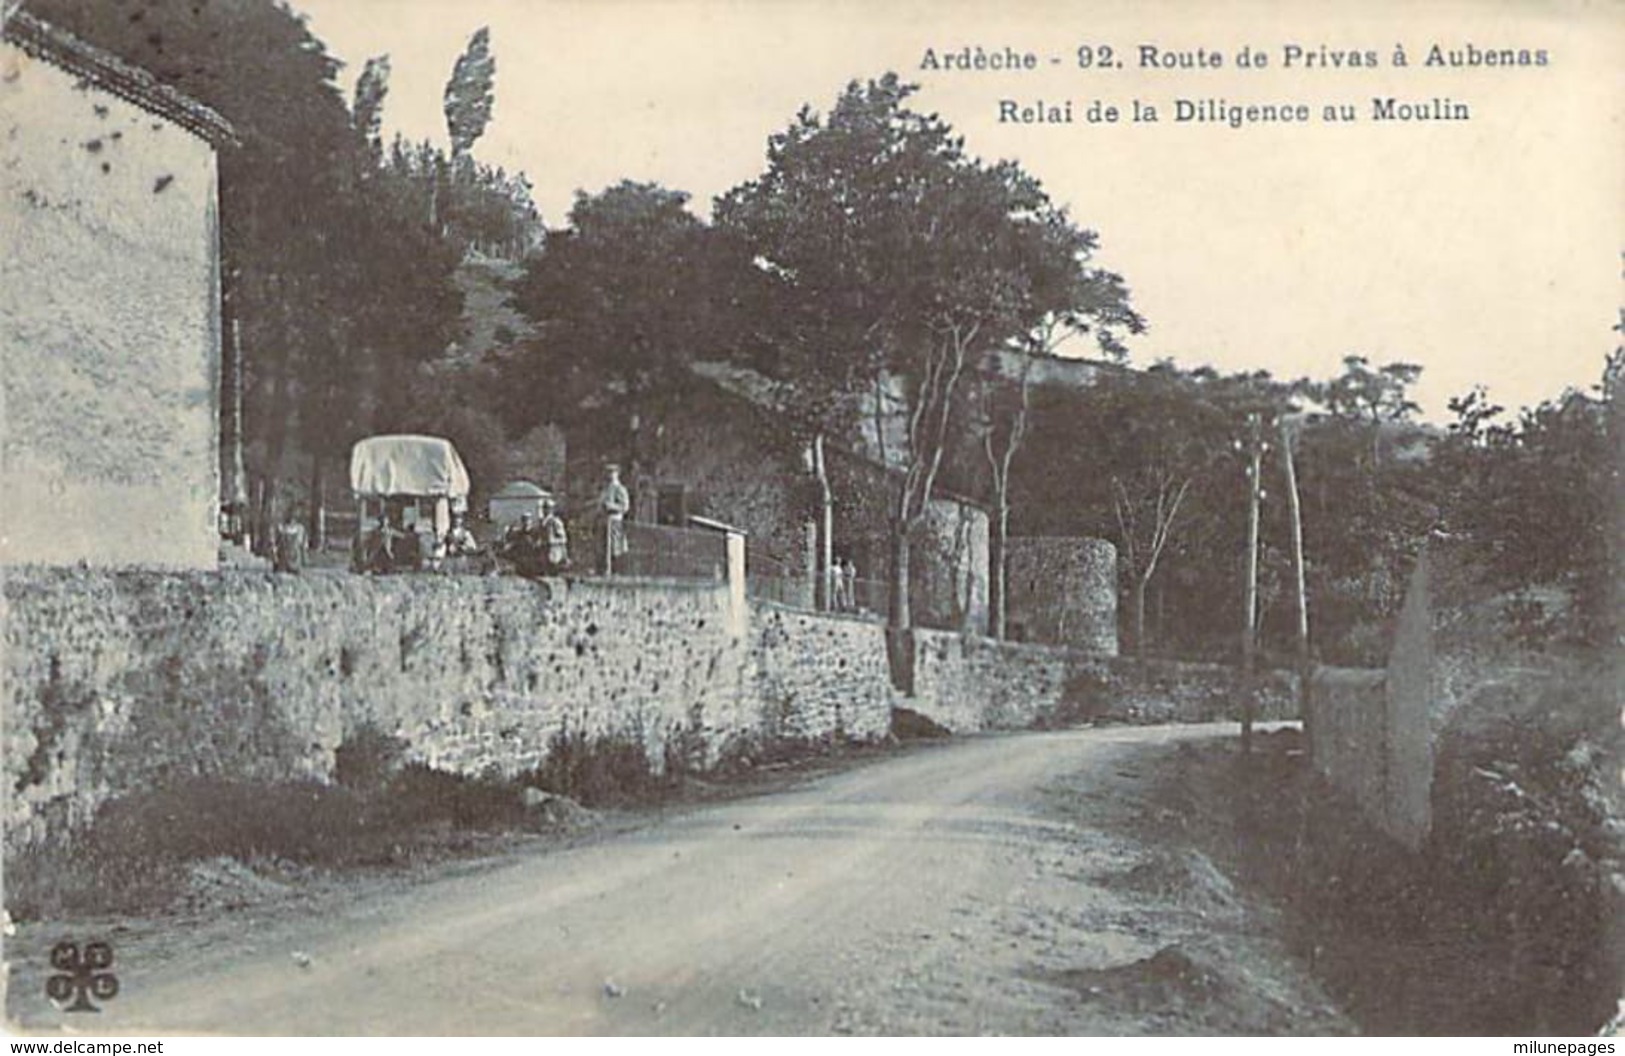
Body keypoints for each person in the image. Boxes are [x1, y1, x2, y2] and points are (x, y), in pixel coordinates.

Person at [599, 463, 630, 573]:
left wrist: (611, 506)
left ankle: (616, 570)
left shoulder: (620, 489)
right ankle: (605, 569)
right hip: (604, 522)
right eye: (608, 472)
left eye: (612, 472)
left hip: (615, 522)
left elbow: (625, 507)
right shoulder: (605, 489)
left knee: (615, 547)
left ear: (617, 474)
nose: (610, 475)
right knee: (603, 546)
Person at [539, 496, 569, 574]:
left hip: (553, 552)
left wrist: (553, 541)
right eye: (544, 508)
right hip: (543, 551)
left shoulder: (555, 522)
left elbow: (563, 538)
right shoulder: (542, 522)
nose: (545, 510)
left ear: (552, 510)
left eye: (548, 508)